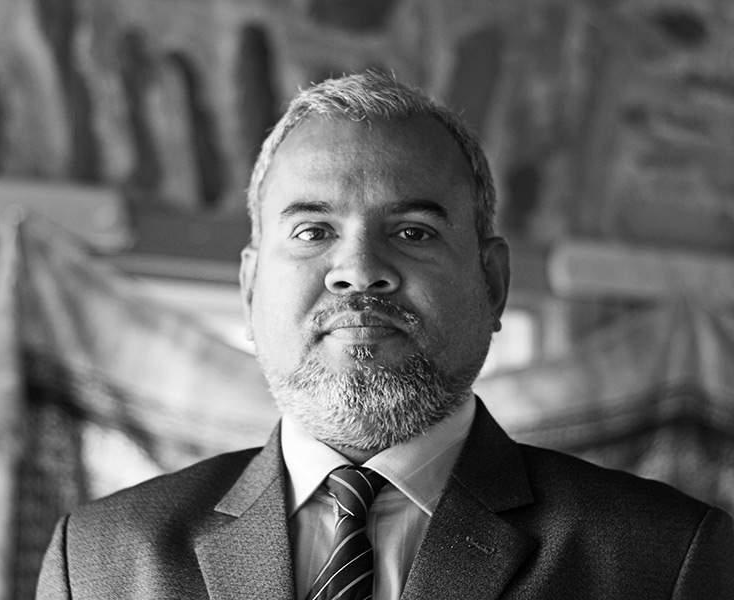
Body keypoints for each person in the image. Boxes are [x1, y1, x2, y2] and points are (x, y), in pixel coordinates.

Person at [36, 71, 734, 599]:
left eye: (413, 232)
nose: (360, 272)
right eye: (313, 232)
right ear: (249, 290)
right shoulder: (99, 561)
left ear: (493, 282)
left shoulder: (668, 558)